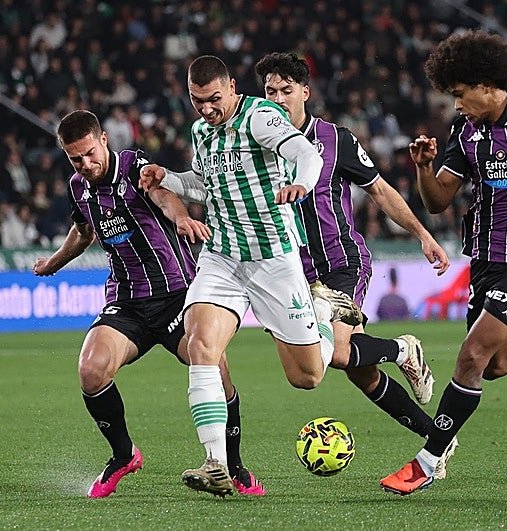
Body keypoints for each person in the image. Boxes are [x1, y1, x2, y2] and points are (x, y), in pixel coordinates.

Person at [139, 55, 361, 497]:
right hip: (222, 257)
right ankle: (215, 462)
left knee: (307, 377)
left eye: (214, 99)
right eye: (197, 101)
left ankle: (321, 307)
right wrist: (169, 178)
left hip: (273, 260)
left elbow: (306, 154)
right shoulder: (201, 132)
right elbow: (205, 184)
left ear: (232, 88)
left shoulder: (260, 116)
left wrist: (301, 183)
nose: (206, 109)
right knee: (200, 345)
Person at [380, 31, 507, 496]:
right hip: (484, 263)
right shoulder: (464, 133)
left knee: (471, 356)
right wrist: (423, 169)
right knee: (497, 364)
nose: (456, 104)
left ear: (488, 84)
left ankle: (427, 461)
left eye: (460, 94)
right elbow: (437, 202)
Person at [32, 110, 265, 498]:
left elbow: (163, 194)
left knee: (215, 369)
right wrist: (53, 263)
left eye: (90, 153)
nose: (85, 164)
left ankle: (233, 465)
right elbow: (83, 231)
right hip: (127, 303)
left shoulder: (132, 165)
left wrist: (181, 218)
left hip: (177, 296)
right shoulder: (78, 187)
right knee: (91, 369)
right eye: (76, 159)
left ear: (104, 139)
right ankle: (124, 455)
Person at [253, 52, 457, 474]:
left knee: (336, 352)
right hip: (292, 274)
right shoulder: (255, 143)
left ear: (305, 92)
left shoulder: (335, 140)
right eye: (270, 91)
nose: (277, 99)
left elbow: (380, 191)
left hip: (340, 263)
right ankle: (436, 438)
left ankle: (403, 349)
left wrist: (422, 234)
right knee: (357, 372)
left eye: (286, 90)